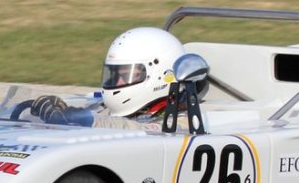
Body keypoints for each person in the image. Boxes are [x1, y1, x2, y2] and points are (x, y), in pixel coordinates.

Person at [24, 27, 188, 130]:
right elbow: (97, 113)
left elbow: (140, 130)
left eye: (127, 75)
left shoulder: (180, 123)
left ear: (161, 74)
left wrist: (76, 118)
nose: (118, 83)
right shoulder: (112, 108)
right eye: (115, 75)